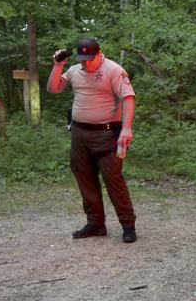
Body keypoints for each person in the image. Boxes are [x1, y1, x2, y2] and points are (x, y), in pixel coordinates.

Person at [47, 37, 137, 243]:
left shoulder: (113, 70)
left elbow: (128, 97)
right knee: (85, 180)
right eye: (82, 59)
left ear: (99, 53)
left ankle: (128, 224)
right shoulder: (74, 70)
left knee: (113, 180)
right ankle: (96, 224)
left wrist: (127, 128)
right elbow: (54, 89)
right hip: (79, 134)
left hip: (106, 134)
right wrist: (58, 65)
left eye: (90, 58)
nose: (86, 63)